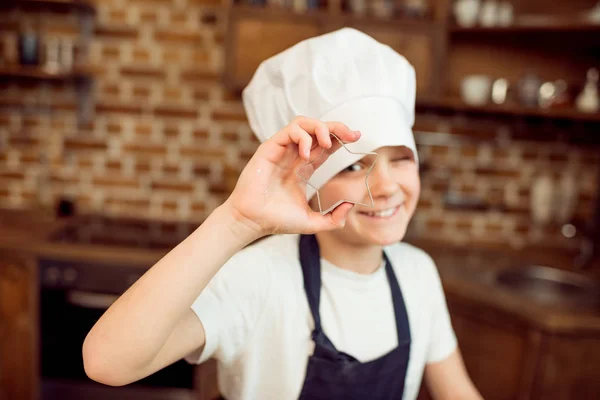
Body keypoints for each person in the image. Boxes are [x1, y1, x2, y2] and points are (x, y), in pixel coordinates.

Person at [83, 28, 483, 400]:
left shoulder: (418, 274)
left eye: (401, 159)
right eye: (353, 166)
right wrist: (237, 221)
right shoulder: (260, 278)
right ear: (310, 184)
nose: (387, 186)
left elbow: (458, 391)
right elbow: (108, 362)